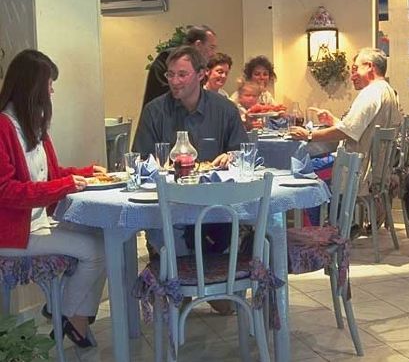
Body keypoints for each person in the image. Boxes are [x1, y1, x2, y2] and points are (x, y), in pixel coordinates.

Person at [0, 49, 107, 347]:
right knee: (95, 250)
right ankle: (67, 315)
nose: (51, 92)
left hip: (37, 223)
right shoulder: (4, 127)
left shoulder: (33, 125)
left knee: (102, 235)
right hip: (13, 232)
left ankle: (68, 313)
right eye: (49, 85)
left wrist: (86, 173)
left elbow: (51, 174)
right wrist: (65, 185)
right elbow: (6, 191)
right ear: (33, 87)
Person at [133, 45, 247, 315]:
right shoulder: (155, 111)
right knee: (175, 284)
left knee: (226, 306)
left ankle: (207, 281)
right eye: (170, 74)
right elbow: (140, 161)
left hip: (216, 211)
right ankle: (180, 283)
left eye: (182, 74)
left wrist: (231, 157)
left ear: (201, 74)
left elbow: (242, 154)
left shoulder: (224, 110)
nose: (174, 81)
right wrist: (153, 166)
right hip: (170, 211)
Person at [290, 47, 402, 199]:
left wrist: (309, 135)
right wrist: (333, 121)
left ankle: (317, 215)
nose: (352, 76)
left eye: (355, 69)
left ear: (369, 66)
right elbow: (359, 129)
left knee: (299, 169)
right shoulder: (389, 92)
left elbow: (347, 131)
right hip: (376, 174)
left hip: (356, 175)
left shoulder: (371, 93)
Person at [141, 25, 217, 109]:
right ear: (198, 45)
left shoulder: (199, 67)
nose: (213, 54)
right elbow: (168, 95)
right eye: (211, 47)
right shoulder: (168, 58)